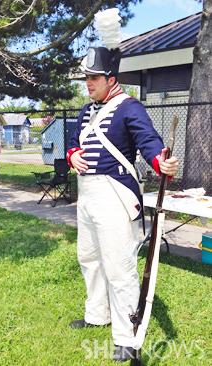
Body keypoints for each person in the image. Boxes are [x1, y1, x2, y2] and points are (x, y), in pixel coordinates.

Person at [66, 46, 178, 362]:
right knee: (88, 257)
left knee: (119, 266)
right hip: (86, 194)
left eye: (94, 77)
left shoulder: (130, 108)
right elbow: (74, 142)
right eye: (86, 78)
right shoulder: (85, 111)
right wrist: (73, 154)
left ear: (110, 78)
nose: (88, 83)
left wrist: (161, 162)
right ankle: (97, 314)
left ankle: (127, 338)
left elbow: (150, 143)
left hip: (114, 195)